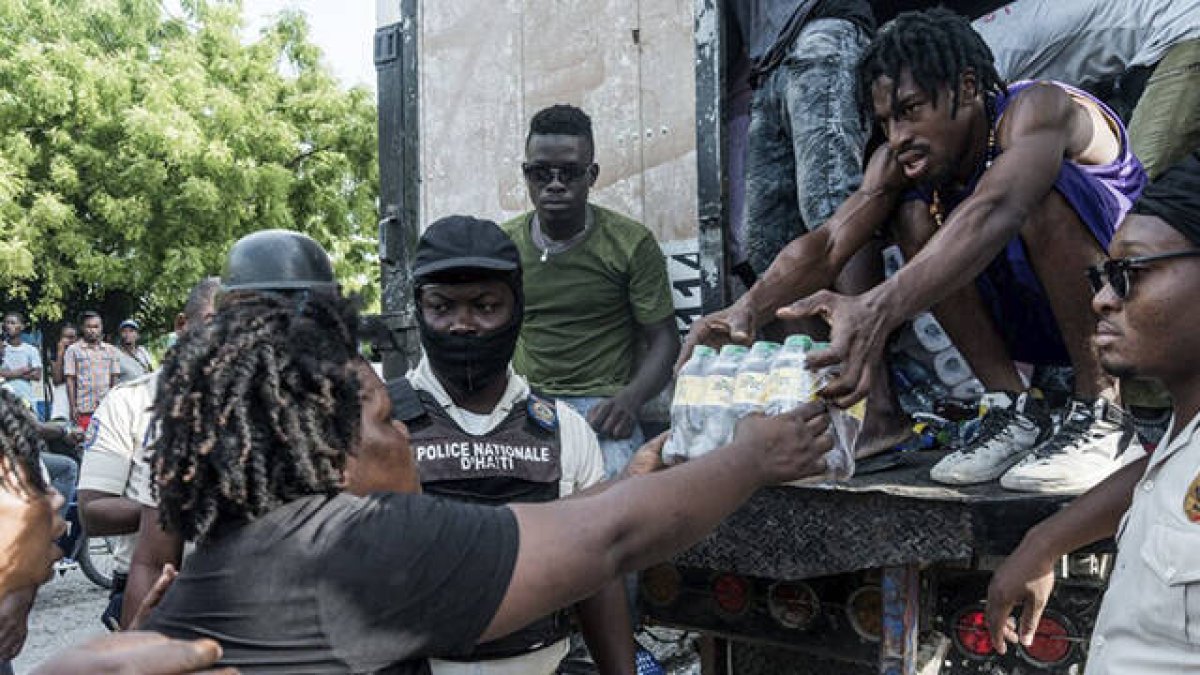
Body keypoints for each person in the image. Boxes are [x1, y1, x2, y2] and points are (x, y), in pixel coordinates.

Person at [136, 283, 832, 672]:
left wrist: (641, 470)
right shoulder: (355, 551)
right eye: (383, 419)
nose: (404, 431)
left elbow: (556, 525)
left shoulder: (244, 553)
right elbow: (607, 541)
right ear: (325, 454)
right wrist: (750, 457)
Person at [682, 8, 1147, 494]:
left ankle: (1105, 414)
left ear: (968, 88)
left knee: (1038, 196)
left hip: (1132, 309)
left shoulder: (1039, 109)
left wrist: (876, 309)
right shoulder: (897, 159)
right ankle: (1011, 409)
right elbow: (829, 243)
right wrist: (746, 309)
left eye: (910, 111)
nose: (898, 136)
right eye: (885, 121)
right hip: (1037, 317)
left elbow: (997, 207)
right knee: (912, 213)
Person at [985, 151, 1200, 673]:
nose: (1103, 299)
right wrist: (1047, 539)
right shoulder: (1183, 437)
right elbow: (1161, 477)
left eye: (1130, 272)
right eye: (1103, 275)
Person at [404, 216, 634, 674]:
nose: (462, 324)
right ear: (418, 311)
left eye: (485, 306)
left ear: (517, 309)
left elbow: (599, 576)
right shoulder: (380, 427)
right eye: (442, 306)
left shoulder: (565, 431)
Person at [121, 229, 341, 627]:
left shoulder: (358, 401)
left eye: (298, 308)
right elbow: (153, 561)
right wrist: (133, 649)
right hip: (228, 634)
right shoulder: (191, 419)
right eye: (258, 311)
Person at [502, 104, 680, 477]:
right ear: (526, 174)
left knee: (620, 503)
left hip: (603, 407)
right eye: (540, 173)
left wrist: (629, 401)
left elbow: (664, 340)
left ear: (591, 174)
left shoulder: (630, 244)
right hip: (525, 401)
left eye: (569, 172)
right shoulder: (504, 246)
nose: (554, 183)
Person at [77, 279, 221, 630]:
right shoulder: (129, 401)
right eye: (214, 320)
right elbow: (92, 511)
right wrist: (176, 509)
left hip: (234, 588)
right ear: (182, 326)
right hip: (151, 589)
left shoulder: (266, 406)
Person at [973, 0, 1200, 179]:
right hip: (1166, 32)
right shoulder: (974, 43)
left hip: (1186, 29)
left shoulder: (981, 63)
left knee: (1138, 196)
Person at [729, 0, 876, 276]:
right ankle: (820, 316)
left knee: (832, 206)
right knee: (765, 242)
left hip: (820, 26)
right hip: (768, 62)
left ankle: (865, 316)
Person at [63, 311, 120, 431]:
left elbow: (114, 381)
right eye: (88, 326)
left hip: (105, 409)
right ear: (82, 328)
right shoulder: (73, 350)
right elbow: (70, 380)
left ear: (101, 328)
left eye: (96, 326)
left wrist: (114, 405)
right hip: (83, 409)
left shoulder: (111, 351)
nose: (92, 330)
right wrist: (72, 407)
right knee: (84, 443)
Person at [1, 312, 43, 410]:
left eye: (12, 323)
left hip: (26, 398)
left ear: (22, 326)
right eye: (6, 323)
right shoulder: (2, 349)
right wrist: (21, 371)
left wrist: (6, 374)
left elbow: (37, 375)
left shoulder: (31, 350)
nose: (9, 326)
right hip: (4, 401)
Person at [115, 319, 155, 385]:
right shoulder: (115, 353)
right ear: (120, 335)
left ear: (137, 335)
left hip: (144, 390)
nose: (128, 334)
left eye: (131, 331)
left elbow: (151, 371)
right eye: (124, 331)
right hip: (125, 392)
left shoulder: (143, 351)